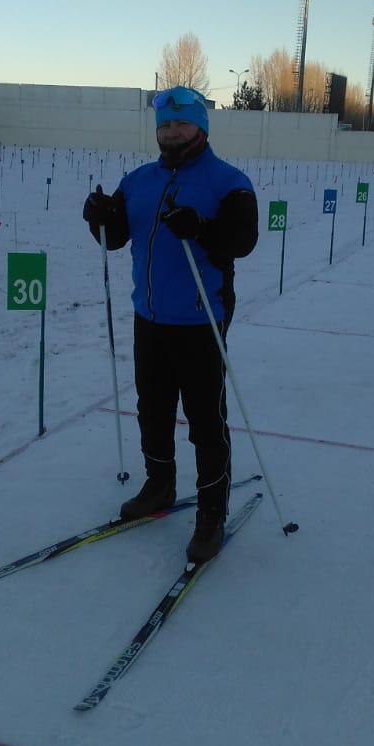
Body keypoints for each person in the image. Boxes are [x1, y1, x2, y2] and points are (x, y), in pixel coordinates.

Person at [82, 85, 258, 564]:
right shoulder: (138, 180)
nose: (172, 132)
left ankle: (211, 511)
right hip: (150, 318)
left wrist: (200, 227)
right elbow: (115, 237)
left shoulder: (229, 182)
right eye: (165, 125)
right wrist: (98, 217)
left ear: (201, 127)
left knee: (204, 418)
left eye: (182, 124)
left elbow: (242, 240)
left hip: (202, 318)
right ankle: (159, 484)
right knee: (152, 409)